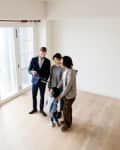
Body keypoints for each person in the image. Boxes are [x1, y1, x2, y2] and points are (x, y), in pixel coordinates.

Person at [28, 47, 51, 116]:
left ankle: (41, 110)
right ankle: (34, 108)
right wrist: (32, 72)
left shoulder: (48, 61)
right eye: (41, 54)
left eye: (44, 54)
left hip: (42, 82)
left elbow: (48, 73)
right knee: (34, 95)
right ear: (39, 52)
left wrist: (45, 79)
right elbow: (29, 70)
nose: (42, 55)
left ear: (46, 53)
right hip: (35, 81)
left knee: (42, 96)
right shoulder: (33, 59)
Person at [58, 56, 77, 131]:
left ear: (65, 63)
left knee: (66, 109)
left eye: (62, 62)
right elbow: (62, 82)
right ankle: (67, 121)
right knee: (66, 109)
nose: (60, 63)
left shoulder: (71, 73)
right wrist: (56, 88)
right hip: (65, 94)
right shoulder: (65, 71)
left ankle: (67, 124)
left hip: (70, 95)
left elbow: (68, 86)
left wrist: (61, 95)